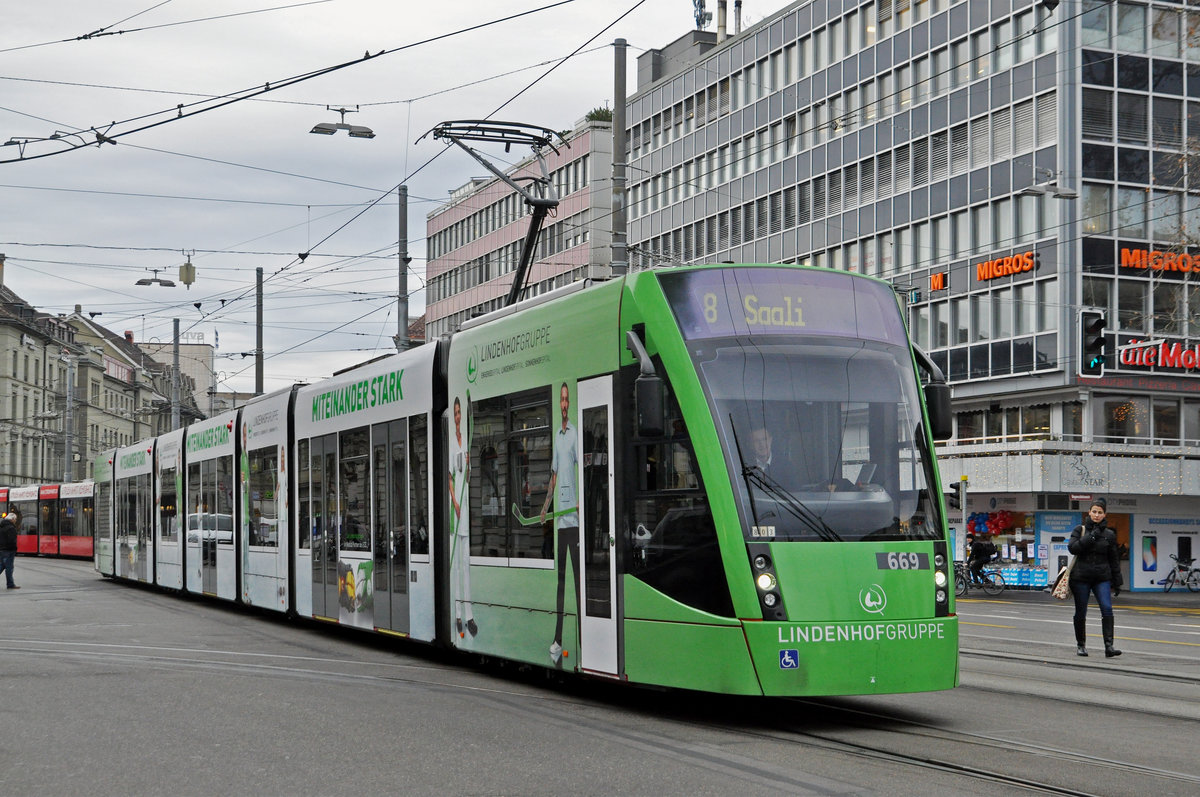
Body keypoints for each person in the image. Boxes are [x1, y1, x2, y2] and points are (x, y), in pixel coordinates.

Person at [541, 382, 579, 666]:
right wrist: (544, 508)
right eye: (561, 400)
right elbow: (554, 476)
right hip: (561, 523)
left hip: (576, 521)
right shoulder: (558, 435)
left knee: (578, 583)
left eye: (566, 400)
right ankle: (558, 639)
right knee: (561, 585)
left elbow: (583, 469)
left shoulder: (575, 435)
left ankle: (581, 636)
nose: (564, 404)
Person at [1068, 497, 1123, 658]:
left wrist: (1117, 582)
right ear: (1089, 512)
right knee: (1081, 611)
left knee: (1107, 609)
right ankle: (1081, 645)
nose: (1097, 515)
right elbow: (1073, 548)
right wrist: (1092, 536)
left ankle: (1109, 646)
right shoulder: (1080, 530)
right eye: (1094, 512)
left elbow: (1114, 558)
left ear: (1105, 514)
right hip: (1081, 577)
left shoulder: (1110, 534)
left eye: (1100, 512)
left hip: (1101, 577)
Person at [448, 396, 477, 638]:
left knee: (466, 565)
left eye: (460, 413)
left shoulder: (465, 443)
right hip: (455, 512)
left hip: (464, 512)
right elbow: (449, 478)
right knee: (457, 566)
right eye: (456, 413)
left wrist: (469, 466)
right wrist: (455, 503)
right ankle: (457, 614)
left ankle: (469, 615)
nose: (458, 417)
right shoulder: (450, 442)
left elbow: (467, 479)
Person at [0, 509, 20, 589]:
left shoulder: (1, 527)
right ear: (12, 519)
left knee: (2, 565)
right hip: (9, 550)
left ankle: (10, 584)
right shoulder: (11, 528)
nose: (15, 521)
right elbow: (12, 540)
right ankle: (10, 584)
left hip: (2, 549)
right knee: (9, 567)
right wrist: (14, 548)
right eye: (15, 519)